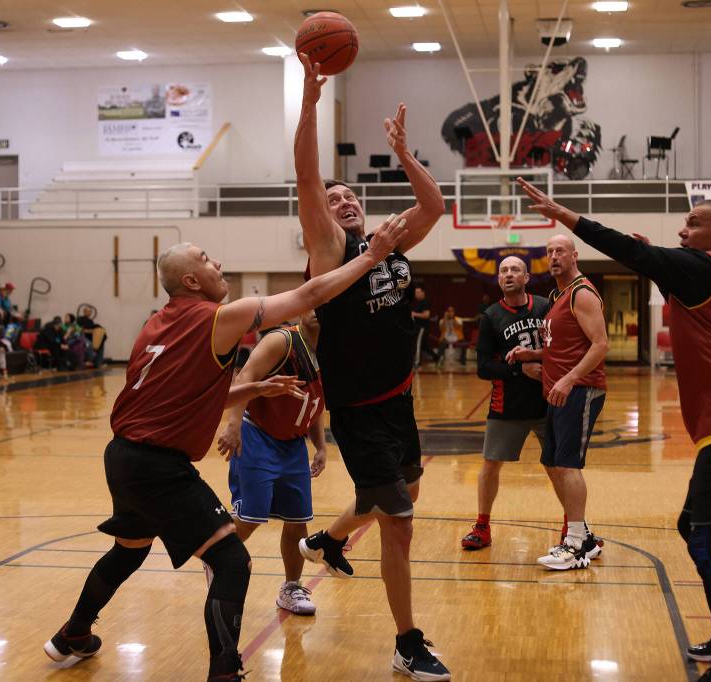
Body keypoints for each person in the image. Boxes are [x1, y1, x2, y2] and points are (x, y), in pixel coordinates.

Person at [42, 220, 409, 681]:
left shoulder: (156, 325)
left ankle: (72, 635)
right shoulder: (216, 318)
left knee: (130, 549)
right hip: (158, 466)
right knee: (231, 559)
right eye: (206, 259)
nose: (218, 263)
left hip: (124, 457)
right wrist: (371, 257)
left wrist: (254, 388)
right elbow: (309, 296)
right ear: (192, 281)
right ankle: (224, 671)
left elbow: (185, 396)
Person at [517, 178, 711, 682]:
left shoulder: (708, 267)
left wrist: (565, 215)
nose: (683, 230)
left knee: (706, 541)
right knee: (695, 529)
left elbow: (626, 251)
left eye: (694, 224)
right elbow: (672, 281)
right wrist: (654, 264)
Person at [292, 53, 450, 681]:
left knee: (404, 492)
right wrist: (309, 102)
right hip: (358, 411)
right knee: (400, 522)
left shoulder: (383, 243)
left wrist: (407, 155)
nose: (345, 200)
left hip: (400, 398)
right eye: (335, 198)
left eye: (352, 193)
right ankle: (408, 642)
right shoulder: (329, 248)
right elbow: (305, 173)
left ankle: (326, 542)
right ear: (321, 214)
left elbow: (434, 207)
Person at [507, 233, 608, 571]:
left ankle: (576, 544)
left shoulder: (582, 293)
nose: (553, 256)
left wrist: (569, 378)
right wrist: (533, 353)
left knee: (568, 465)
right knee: (552, 463)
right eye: (549, 252)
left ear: (574, 255)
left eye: (560, 251)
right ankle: (586, 537)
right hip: (558, 390)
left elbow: (600, 344)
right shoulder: (558, 295)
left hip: (580, 389)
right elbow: (561, 345)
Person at [216, 310, 326, 616]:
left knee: (298, 519)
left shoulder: (332, 348)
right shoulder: (282, 340)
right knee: (251, 517)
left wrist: (320, 445)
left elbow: (315, 402)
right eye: (313, 305)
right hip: (257, 436)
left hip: (293, 444)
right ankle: (217, 556)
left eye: (325, 306)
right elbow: (245, 377)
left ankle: (291, 588)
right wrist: (233, 424)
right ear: (302, 309)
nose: (317, 312)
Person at [461, 257, 550, 550]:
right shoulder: (490, 317)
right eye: (503, 271)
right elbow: (483, 368)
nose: (508, 274)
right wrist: (518, 369)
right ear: (498, 279)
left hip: (548, 402)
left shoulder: (545, 307)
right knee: (490, 466)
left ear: (527, 277)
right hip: (507, 407)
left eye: (515, 270)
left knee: (561, 467)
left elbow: (561, 348)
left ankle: (574, 528)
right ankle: (482, 526)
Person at [410, 286, 437, 367]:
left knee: (417, 344)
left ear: (423, 292)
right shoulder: (419, 303)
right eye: (415, 293)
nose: (416, 294)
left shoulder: (425, 302)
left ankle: (417, 362)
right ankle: (437, 357)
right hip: (418, 327)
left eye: (418, 292)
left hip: (422, 327)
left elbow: (426, 315)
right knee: (424, 345)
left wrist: (414, 314)